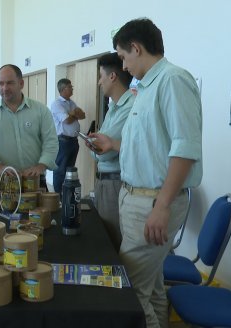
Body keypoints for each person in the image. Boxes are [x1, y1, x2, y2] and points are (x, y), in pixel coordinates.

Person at [90, 18, 202, 328]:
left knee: (131, 292)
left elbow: (185, 148)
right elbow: (146, 144)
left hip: (152, 202)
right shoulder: (146, 88)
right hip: (135, 197)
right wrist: (113, 143)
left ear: (137, 49)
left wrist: (162, 206)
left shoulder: (173, 80)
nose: (123, 67)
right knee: (151, 286)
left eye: (124, 57)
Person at [0, 64, 58, 186]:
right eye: (0, 83)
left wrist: (41, 166)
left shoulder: (41, 111)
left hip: (35, 180)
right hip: (3, 181)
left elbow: (51, 142)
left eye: (10, 83)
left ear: (21, 84)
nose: (4, 88)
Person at [88, 52, 135, 251]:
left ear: (112, 76)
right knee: (102, 238)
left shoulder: (130, 106)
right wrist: (96, 147)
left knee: (111, 243)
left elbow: (104, 151)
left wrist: (97, 147)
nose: (99, 82)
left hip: (115, 182)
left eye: (101, 76)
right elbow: (98, 148)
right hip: (104, 181)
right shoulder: (115, 108)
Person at [51, 78, 85, 194]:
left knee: (70, 171)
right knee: (60, 170)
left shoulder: (71, 103)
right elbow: (67, 121)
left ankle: (66, 194)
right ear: (63, 89)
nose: (72, 89)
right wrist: (74, 114)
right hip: (63, 142)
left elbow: (83, 115)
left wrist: (73, 114)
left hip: (73, 141)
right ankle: (58, 196)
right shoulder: (56, 104)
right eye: (70, 87)